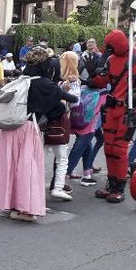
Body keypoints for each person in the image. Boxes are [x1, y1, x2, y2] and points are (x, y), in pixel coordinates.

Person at [0, 47, 78, 222]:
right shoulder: (46, 84)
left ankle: (7, 201)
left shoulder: (20, 80)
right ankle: (25, 209)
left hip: (11, 127)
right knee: (28, 168)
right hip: (28, 128)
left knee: (9, 166)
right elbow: (73, 99)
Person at [87, 29, 136, 203]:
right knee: (109, 148)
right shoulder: (110, 59)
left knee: (119, 149)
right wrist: (93, 72)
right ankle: (111, 184)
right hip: (111, 109)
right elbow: (101, 82)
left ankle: (119, 187)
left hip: (129, 110)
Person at [47, 51, 81, 201]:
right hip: (60, 121)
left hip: (43, 121)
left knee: (41, 155)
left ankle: (35, 185)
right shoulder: (71, 81)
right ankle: (58, 186)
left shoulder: (49, 78)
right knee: (61, 157)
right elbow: (75, 102)